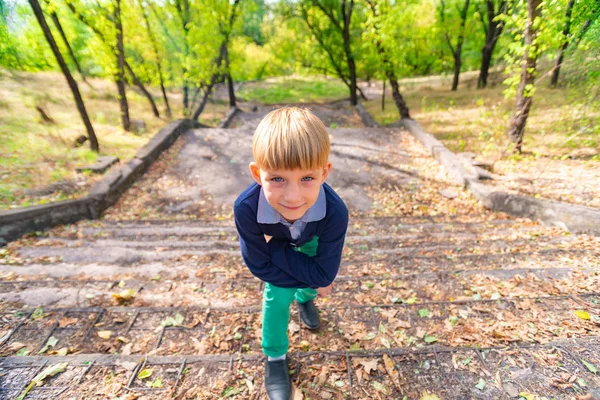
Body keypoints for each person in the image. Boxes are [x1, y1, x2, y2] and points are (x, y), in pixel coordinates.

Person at [233, 107, 349, 399]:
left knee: (312, 274)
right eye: (278, 179)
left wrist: (275, 249)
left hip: (313, 237)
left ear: (324, 173)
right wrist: (310, 274)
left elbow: (325, 272)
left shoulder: (335, 211)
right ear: (258, 175)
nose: (293, 197)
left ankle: (306, 299)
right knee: (276, 296)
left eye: (307, 178)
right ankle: (275, 356)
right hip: (281, 245)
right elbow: (259, 265)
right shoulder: (246, 208)